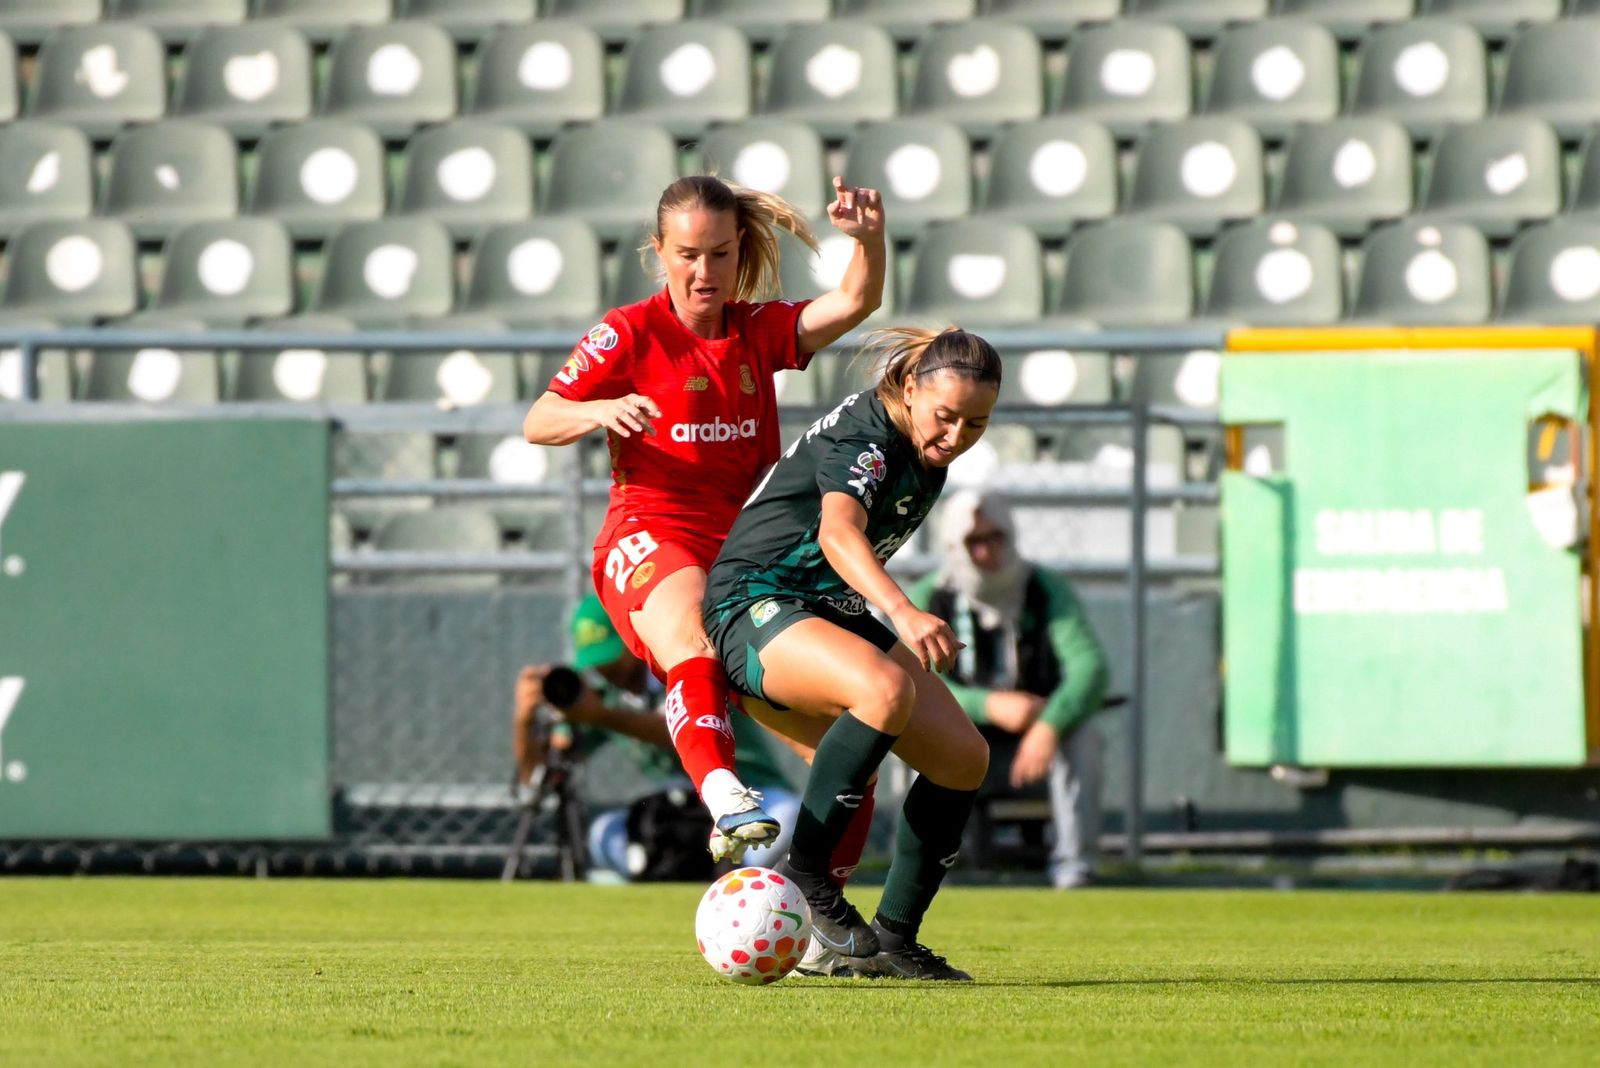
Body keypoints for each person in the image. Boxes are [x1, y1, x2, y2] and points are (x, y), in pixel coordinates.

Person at [522, 174, 887, 863]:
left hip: (746, 558)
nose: (704, 271)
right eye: (688, 254)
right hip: (649, 534)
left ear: (739, 249)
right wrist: (599, 409)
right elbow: (539, 419)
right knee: (693, 631)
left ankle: (824, 912)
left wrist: (868, 240)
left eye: (720, 254)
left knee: (849, 754)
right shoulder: (627, 332)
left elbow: (854, 301)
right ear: (659, 250)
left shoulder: (757, 331)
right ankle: (723, 792)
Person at [703, 326, 1002, 981]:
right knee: (884, 690)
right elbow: (839, 532)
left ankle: (895, 939)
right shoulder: (869, 439)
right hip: (754, 601)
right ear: (911, 387)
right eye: (946, 416)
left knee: (963, 758)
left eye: (976, 423)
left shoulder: (924, 443)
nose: (956, 435)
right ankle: (808, 881)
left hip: (824, 608)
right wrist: (903, 610)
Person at [908, 488, 1110, 889]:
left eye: (995, 537)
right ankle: (923, 868)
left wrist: (1050, 725)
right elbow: (920, 681)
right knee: (916, 733)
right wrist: (988, 706)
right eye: (974, 541)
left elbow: (1090, 668)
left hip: (1035, 746)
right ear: (955, 545)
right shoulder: (930, 596)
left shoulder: (1044, 588)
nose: (986, 552)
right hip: (961, 738)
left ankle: (1075, 869)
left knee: (1085, 738)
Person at [514, 595, 800, 878]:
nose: (606, 670)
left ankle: (736, 881)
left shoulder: (684, 668)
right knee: (603, 834)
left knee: (788, 817)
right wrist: (524, 722)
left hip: (750, 791)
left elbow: (683, 731)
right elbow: (538, 775)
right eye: (597, 663)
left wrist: (602, 716)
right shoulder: (603, 699)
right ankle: (667, 873)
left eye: (611, 657)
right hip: (680, 810)